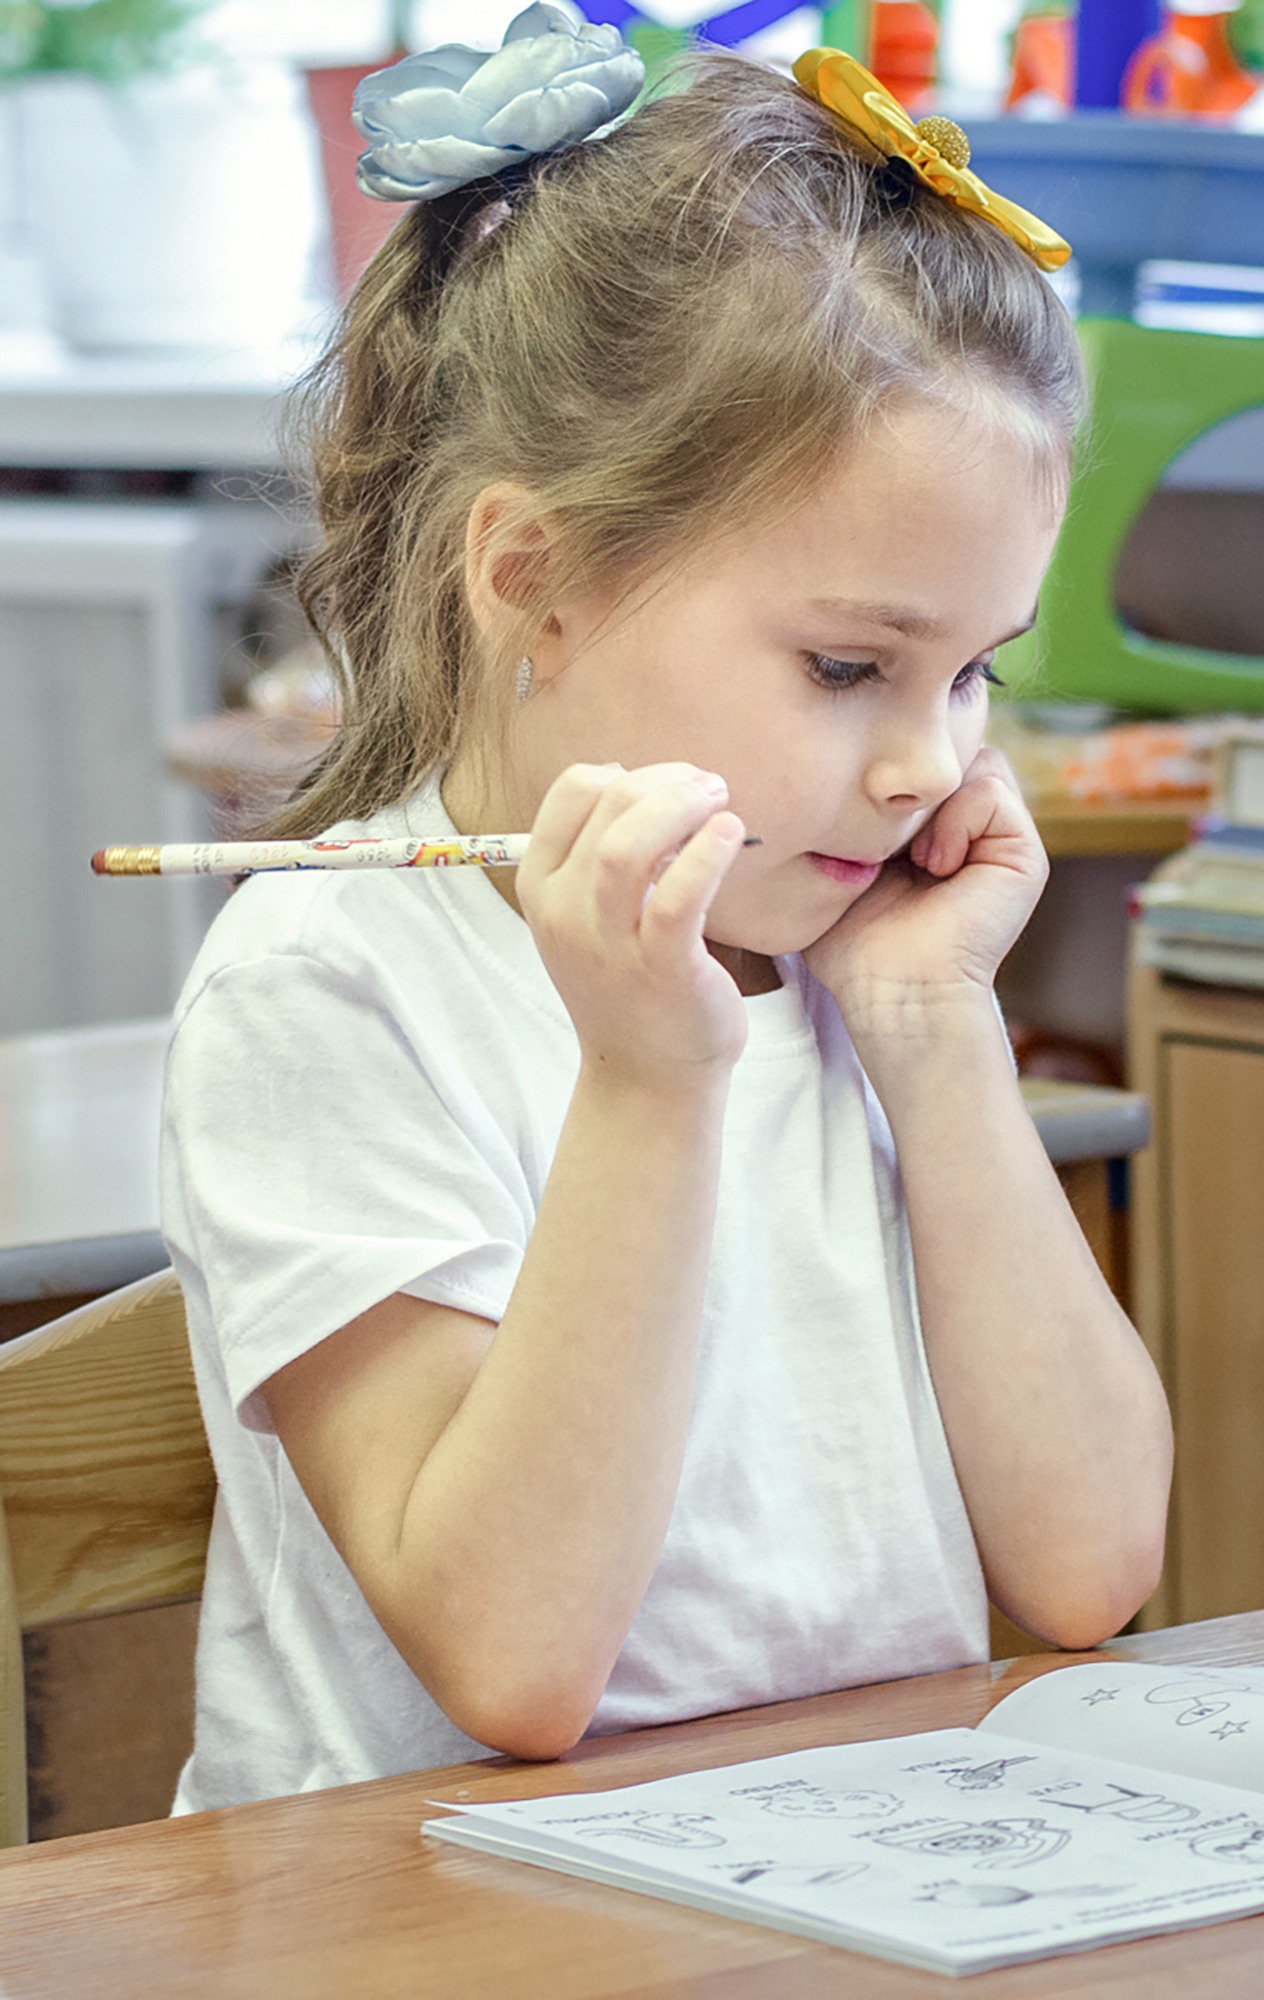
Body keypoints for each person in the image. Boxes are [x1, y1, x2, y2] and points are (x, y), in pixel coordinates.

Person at [161, 9, 1172, 1812]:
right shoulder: (326, 986)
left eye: (972, 676)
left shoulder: (857, 965)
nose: (922, 766)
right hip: (425, 1929)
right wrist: (646, 1083)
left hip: (845, 1879)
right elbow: (520, 1668)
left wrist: (937, 1038)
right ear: (533, 580)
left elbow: (1093, 1570)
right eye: (853, 663)